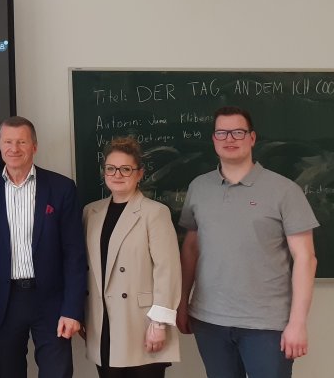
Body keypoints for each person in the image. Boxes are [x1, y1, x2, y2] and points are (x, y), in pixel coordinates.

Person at [177, 106, 319, 378]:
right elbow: (191, 248)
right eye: (222, 132)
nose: (230, 138)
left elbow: (306, 258)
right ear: (214, 139)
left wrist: (298, 323)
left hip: (266, 324)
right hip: (209, 320)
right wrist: (182, 301)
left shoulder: (285, 190)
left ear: (252, 138)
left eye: (238, 132)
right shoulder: (198, 187)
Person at [0, 115, 87, 378]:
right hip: (5, 300)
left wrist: (72, 309)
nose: (14, 148)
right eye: (8, 142)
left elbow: (74, 254)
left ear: (34, 146)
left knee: (57, 372)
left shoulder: (61, 188)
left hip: (52, 301)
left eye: (22, 142)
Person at [82, 137, 181, 378]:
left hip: (141, 324)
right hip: (103, 322)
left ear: (139, 173)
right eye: (111, 168)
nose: (117, 174)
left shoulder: (155, 213)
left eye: (126, 169)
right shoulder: (91, 212)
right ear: (104, 172)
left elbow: (167, 271)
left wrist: (159, 324)